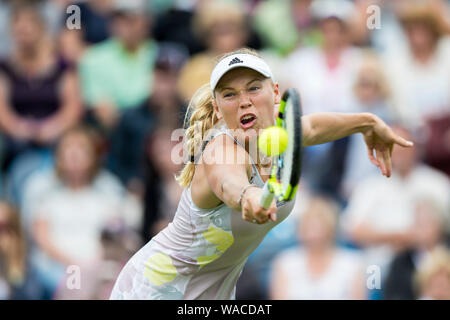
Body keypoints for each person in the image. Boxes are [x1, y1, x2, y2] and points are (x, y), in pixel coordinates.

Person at [110, 47, 413, 300]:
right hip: (152, 290)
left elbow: (314, 127)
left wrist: (367, 122)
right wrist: (250, 197)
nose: (244, 100)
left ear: (275, 92)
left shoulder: (279, 135)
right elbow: (230, 182)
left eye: (254, 88)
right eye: (230, 94)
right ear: (217, 109)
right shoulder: (220, 152)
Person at [0, 2, 82, 173]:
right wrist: (18, 128)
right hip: (16, 137)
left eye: (28, 30)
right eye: (19, 31)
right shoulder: (5, 67)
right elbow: (2, 109)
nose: (23, 36)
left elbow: (73, 107)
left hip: (56, 131)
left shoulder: (62, 66)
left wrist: (51, 128)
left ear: (41, 29)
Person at [270, 195, 366, 300]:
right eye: (308, 227)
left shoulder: (352, 263)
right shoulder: (285, 262)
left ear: (330, 228)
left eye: (319, 227)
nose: (313, 234)